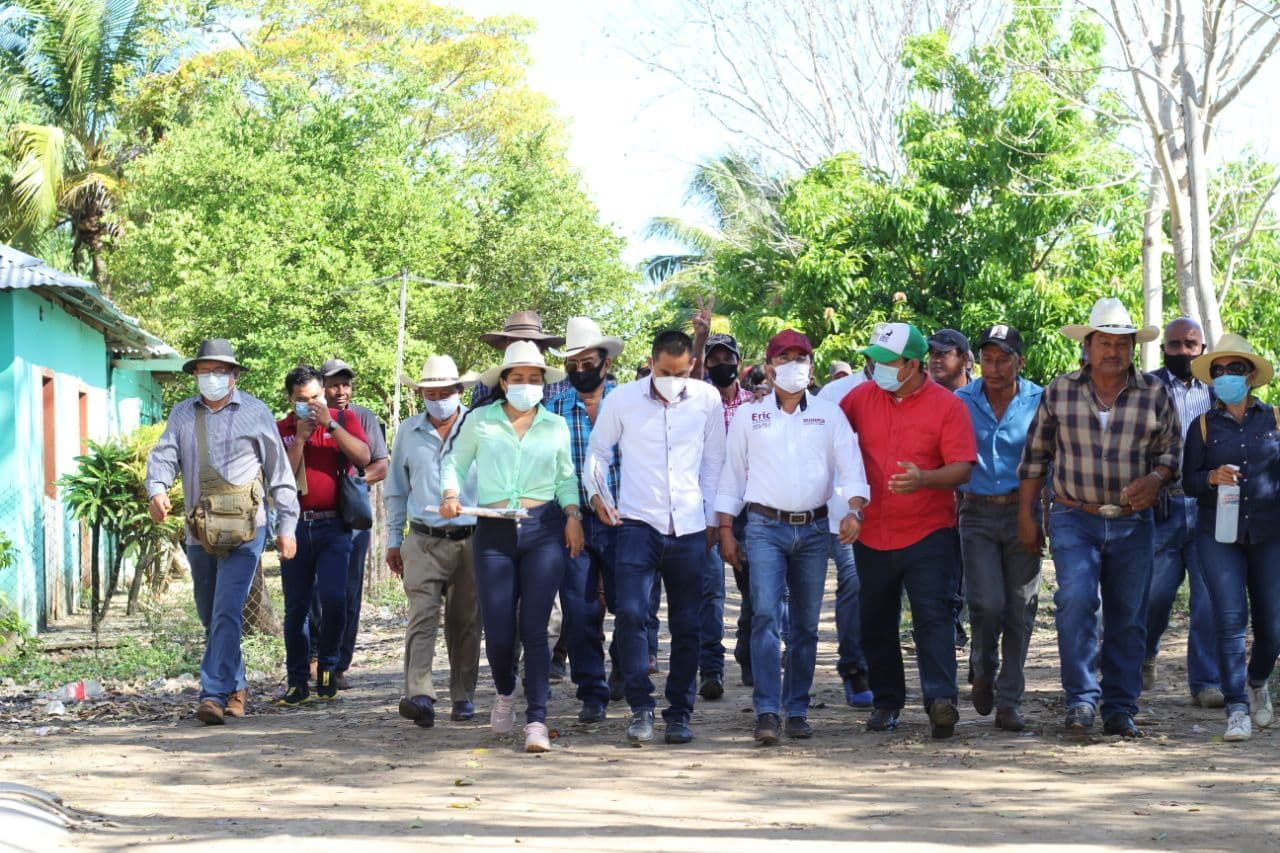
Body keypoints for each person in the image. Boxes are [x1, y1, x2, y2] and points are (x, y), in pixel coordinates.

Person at [1018, 297, 1180, 738]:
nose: (1113, 351)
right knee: (1076, 601)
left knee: (1128, 614)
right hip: (1075, 515)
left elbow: (1172, 454)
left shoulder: (1155, 393)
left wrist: (1157, 479)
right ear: (1087, 346)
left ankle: (1120, 707)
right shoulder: (1060, 391)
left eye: (1122, 343)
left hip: (1133, 521)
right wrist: (1027, 517)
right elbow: (1035, 458)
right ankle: (1081, 700)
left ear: (1133, 348)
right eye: (1104, 342)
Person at [717, 330, 870, 744]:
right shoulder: (750, 416)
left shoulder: (829, 414)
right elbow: (732, 475)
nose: (793, 366)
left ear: (811, 367)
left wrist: (855, 509)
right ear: (769, 368)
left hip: (816, 530)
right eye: (784, 358)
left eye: (800, 358)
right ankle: (767, 710)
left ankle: (797, 708)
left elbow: (851, 466)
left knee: (805, 626)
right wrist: (726, 528)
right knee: (766, 616)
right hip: (764, 527)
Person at [145, 338, 299, 726]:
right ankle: (237, 686)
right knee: (209, 611)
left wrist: (288, 526)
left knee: (227, 608)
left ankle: (212, 694)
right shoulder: (183, 413)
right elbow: (164, 456)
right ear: (195, 374)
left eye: (219, 371)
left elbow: (280, 472)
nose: (211, 377)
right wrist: (157, 490)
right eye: (204, 371)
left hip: (247, 531)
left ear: (233, 376)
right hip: (200, 530)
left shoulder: (256, 412)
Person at [440, 341, 584, 753]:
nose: (526, 384)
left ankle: (537, 719)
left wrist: (573, 515)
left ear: (543, 384)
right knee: (500, 629)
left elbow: (565, 477)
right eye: (517, 378)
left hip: (543, 530)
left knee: (535, 628)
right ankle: (505, 692)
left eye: (534, 378)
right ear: (503, 383)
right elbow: (454, 463)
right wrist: (450, 493)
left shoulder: (554, 425)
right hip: (493, 531)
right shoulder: (479, 420)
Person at [586, 329, 726, 745]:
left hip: (689, 526)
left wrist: (712, 517)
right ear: (651, 363)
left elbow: (714, 461)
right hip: (636, 523)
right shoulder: (622, 400)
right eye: (665, 372)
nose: (673, 380)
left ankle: (679, 712)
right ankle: (640, 707)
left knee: (687, 623)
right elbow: (598, 452)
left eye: (681, 373)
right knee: (631, 615)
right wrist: (597, 494)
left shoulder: (707, 399)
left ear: (692, 367)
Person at [840, 322, 976, 738]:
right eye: (873, 360)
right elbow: (832, 440)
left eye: (887, 362)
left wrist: (925, 479)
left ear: (913, 365)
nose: (876, 368)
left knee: (933, 617)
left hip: (928, 531)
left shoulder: (948, 406)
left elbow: (962, 468)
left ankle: (941, 701)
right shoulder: (859, 398)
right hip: (872, 532)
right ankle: (887, 702)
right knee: (876, 619)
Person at [1182, 334, 1280, 742]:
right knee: (1229, 619)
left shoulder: (1274, 419)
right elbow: (1188, 481)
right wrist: (1211, 477)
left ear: (1251, 375)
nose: (1226, 376)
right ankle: (1236, 708)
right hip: (1217, 535)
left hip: (1269, 533)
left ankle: (1258, 680)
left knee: (1273, 625)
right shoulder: (1203, 426)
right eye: (1218, 370)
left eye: (1234, 369)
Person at [954, 325, 1044, 732]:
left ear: (1019, 362)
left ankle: (1010, 700)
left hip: (1023, 509)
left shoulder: (1039, 400)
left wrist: (1039, 515)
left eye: (1003, 359)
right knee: (987, 603)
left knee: (1020, 608)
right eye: (987, 359)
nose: (994, 368)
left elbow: (1048, 458)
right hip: (976, 512)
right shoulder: (962, 400)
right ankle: (984, 665)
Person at [385, 356, 482, 728]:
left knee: (466, 621)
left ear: (459, 392)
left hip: (471, 539)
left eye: (445, 393)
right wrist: (393, 539)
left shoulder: (479, 427)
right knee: (422, 614)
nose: (438, 400)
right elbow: (396, 490)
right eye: (431, 394)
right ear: (422, 394)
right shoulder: (408, 432)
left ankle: (463, 695)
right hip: (423, 539)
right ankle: (419, 695)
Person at [276, 365, 371, 706]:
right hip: (296, 525)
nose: (312, 404)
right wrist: (300, 438)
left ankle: (329, 667)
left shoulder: (344, 420)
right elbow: (281, 477)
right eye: (303, 400)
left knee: (334, 599)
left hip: (335, 525)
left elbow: (364, 456)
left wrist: (330, 424)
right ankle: (297, 680)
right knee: (297, 607)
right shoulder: (282, 429)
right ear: (292, 400)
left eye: (316, 396)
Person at [546, 317, 624, 724]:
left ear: (605, 363)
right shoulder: (553, 409)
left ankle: (624, 670)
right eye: (573, 364)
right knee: (579, 610)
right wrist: (569, 513)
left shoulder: (628, 404)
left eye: (587, 363)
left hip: (625, 521)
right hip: (573, 520)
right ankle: (592, 690)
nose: (580, 370)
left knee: (631, 606)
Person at [1143, 319, 1223, 707]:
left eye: (1191, 344)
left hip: (1209, 505)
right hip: (1164, 505)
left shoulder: (1218, 391)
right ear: (1164, 350)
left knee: (1207, 597)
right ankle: (1145, 653)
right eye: (1175, 345)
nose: (1184, 351)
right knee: (1155, 594)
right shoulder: (1146, 388)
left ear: (1202, 349)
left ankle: (1206, 681)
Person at [316, 358, 390, 690]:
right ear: (322, 388)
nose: (341, 391)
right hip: (316, 516)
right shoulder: (309, 416)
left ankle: (339, 665)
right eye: (333, 385)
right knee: (315, 591)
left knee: (348, 590)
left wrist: (352, 485)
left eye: (345, 384)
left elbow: (381, 465)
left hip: (352, 519)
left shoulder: (362, 417)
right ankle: (314, 659)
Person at [700, 330, 755, 696]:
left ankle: (748, 653)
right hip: (705, 505)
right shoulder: (697, 403)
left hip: (747, 507)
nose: (722, 364)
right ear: (705, 364)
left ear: (738, 361)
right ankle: (711, 669)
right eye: (714, 359)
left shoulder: (756, 405)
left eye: (727, 358)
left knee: (755, 588)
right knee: (709, 591)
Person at [470, 310, 570, 407]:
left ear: (541, 347)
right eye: (514, 341)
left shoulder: (562, 386)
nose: (522, 345)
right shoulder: (484, 387)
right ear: (505, 346)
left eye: (529, 341)